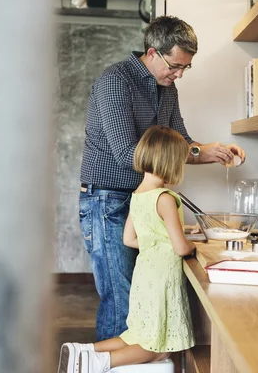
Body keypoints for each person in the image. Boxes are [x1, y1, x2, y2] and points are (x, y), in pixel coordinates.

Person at [78, 15, 246, 342]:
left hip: (142, 200)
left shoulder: (167, 89)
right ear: (153, 53)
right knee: (121, 297)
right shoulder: (116, 81)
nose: (180, 74)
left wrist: (212, 151)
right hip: (106, 199)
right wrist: (197, 152)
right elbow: (129, 154)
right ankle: (97, 362)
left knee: (141, 295)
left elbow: (181, 142)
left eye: (186, 68)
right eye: (175, 65)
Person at [60, 126, 197, 373]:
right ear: (172, 162)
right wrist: (192, 244)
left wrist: (157, 241)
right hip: (162, 279)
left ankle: (85, 350)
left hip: (144, 276)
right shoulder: (165, 198)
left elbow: (129, 239)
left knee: (137, 333)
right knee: (156, 348)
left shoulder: (136, 195)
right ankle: (98, 363)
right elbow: (180, 247)